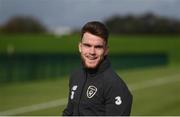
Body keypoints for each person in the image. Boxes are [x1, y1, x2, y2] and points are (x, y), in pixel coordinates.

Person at [62, 21, 133, 116]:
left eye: (98, 47)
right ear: (80, 47)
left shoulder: (115, 85)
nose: (92, 52)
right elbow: (69, 112)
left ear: (106, 50)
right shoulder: (76, 76)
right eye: (87, 45)